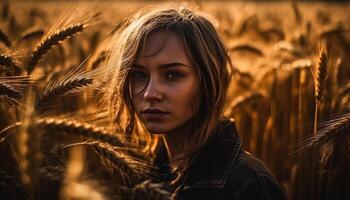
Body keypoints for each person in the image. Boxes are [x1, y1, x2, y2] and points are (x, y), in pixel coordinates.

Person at [105, 4, 287, 200]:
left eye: (173, 74)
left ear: (209, 80)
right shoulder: (138, 173)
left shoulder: (248, 185)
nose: (150, 93)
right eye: (138, 74)